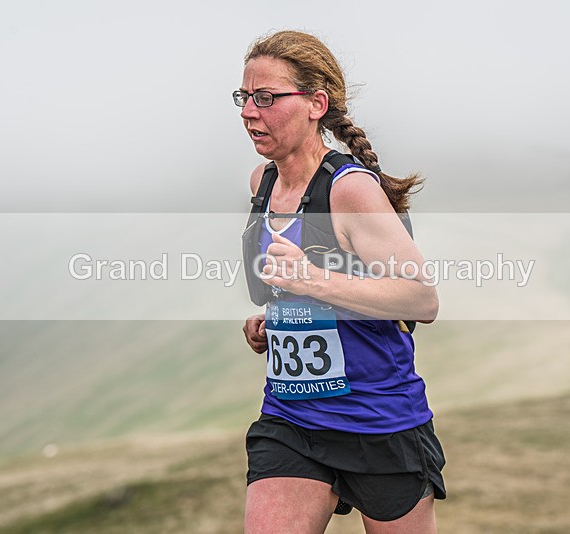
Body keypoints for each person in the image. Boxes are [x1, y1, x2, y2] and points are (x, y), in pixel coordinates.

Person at [237, 30, 446, 534]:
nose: (249, 112)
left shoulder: (348, 189)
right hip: (291, 417)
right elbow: (298, 289)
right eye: (244, 97)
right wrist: (274, 319)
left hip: (378, 420)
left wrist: (313, 280)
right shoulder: (262, 183)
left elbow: (422, 298)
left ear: (316, 104)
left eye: (266, 98)